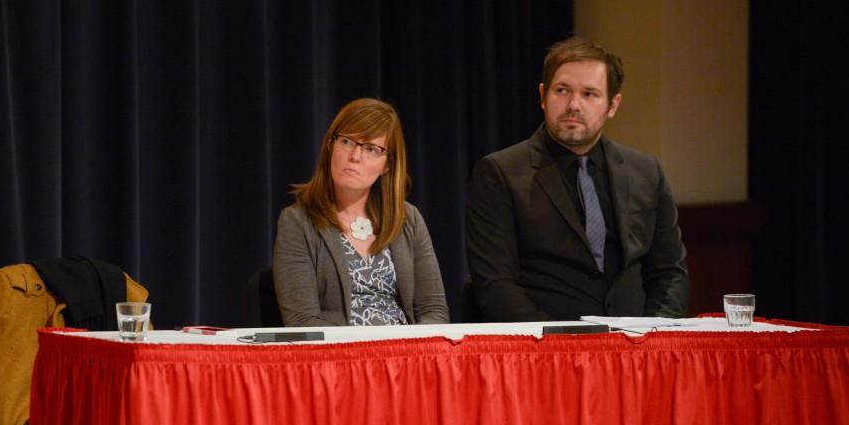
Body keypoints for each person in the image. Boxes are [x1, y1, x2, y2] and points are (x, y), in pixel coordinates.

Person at [466, 36, 689, 321]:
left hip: (635, 349)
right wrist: (556, 345)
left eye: (589, 94)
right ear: (543, 96)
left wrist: (654, 337)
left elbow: (670, 273)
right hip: (543, 350)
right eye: (562, 90)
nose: (574, 104)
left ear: (613, 104)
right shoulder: (500, 172)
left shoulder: (646, 172)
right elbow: (495, 285)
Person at [273, 98, 449, 327]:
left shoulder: (407, 218)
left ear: (387, 165)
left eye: (371, 149)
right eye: (347, 141)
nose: (355, 156)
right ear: (330, 146)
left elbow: (433, 310)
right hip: (338, 357)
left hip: (405, 356)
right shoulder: (298, 222)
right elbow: (303, 322)